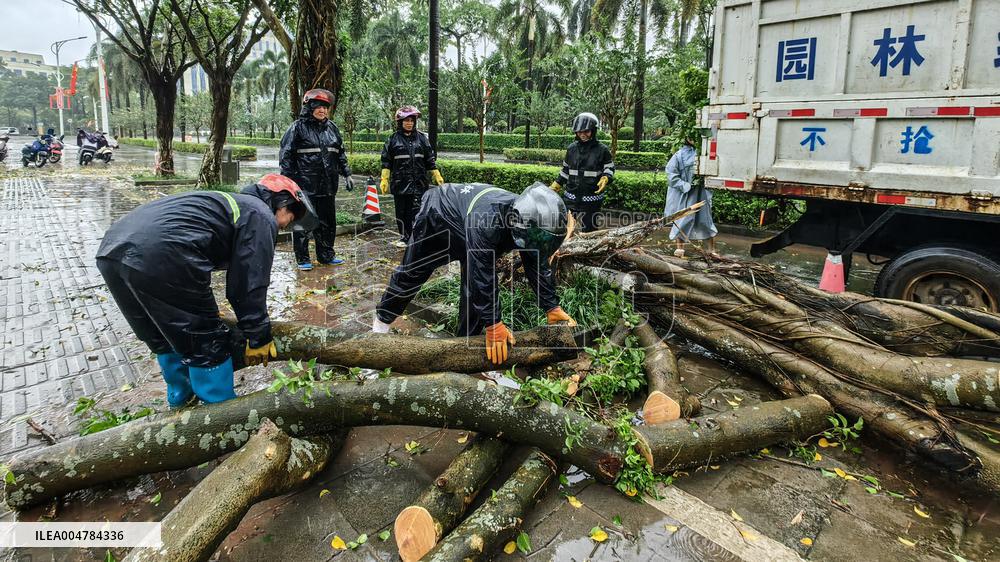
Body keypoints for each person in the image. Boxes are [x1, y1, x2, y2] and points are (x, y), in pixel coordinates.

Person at [96, 174, 317, 407]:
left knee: (163, 335)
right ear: (282, 202)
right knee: (207, 341)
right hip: (162, 254)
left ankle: (181, 401)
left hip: (111, 251)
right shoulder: (260, 214)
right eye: (291, 217)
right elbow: (248, 282)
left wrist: (199, 308)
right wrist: (258, 334)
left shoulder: (227, 204)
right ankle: (220, 415)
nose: (286, 225)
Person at [373, 182, 577, 364]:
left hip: (467, 222)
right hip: (438, 215)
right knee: (413, 273)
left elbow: (535, 260)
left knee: (473, 293)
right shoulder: (488, 221)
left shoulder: (527, 219)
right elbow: (484, 274)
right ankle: (380, 324)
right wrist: (494, 324)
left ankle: (464, 352)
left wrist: (551, 306)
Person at [279, 88, 355, 271]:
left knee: (327, 222)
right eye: (319, 107)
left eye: (326, 107)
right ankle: (303, 258)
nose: (323, 110)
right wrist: (289, 184)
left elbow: (340, 154)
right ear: (310, 107)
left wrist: (347, 173)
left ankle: (326, 255)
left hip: (328, 185)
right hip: (304, 186)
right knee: (303, 222)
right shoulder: (297, 128)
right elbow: (286, 156)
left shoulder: (333, 129)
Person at [380, 106, 444, 248]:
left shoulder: (422, 138)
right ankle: (405, 237)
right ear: (400, 122)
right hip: (400, 183)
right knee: (402, 212)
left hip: (419, 183)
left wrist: (436, 173)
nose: (409, 123)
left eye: (411, 120)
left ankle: (417, 237)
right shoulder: (392, 140)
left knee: (418, 211)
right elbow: (386, 161)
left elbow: (429, 158)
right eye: (406, 120)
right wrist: (384, 179)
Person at [551, 112, 615, 232]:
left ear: (593, 131)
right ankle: (564, 250)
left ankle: (588, 250)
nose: (583, 135)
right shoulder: (571, 149)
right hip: (571, 197)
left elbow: (609, 168)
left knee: (589, 231)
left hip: (591, 199)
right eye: (580, 132)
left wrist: (606, 177)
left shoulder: (602, 150)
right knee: (564, 229)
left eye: (586, 131)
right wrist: (557, 184)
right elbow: (565, 170)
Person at [665, 135, 717, 257]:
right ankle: (679, 249)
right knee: (683, 218)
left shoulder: (704, 153)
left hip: (701, 193)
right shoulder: (679, 155)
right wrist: (684, 185)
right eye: (690, 136)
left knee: (706, 220)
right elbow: (671, 174)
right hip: (685, 195)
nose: (693, 139)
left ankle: (711, 249)